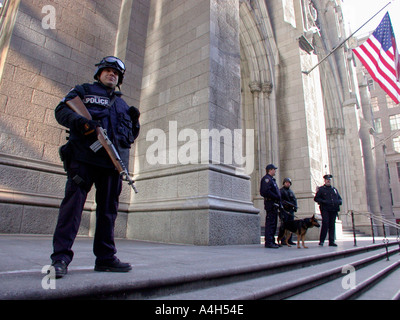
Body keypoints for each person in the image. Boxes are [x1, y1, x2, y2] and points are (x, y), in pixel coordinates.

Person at [50, 56, 140, 278]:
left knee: (108, 213)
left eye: (116, 73)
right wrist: (82, 123)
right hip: (83, 160)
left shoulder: (122, 104)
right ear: (99, 73)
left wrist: (135, 124)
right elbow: (61, 111)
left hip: (110, 166)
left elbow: (127, 139)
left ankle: (105, 258)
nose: (112, 74)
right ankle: (60, 258)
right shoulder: (83, 91)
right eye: (108, 71)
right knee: (72, 210)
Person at [314, 174, 342, 247]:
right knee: (325, 224)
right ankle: (322, 241)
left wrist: (339, 202)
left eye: (329, 180)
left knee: (332, 225)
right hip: (325, 209)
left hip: (333, 209)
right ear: (325, 180)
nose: (328, 181)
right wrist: (324, 201)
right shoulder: (321, 189)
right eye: (327, 180)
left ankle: (331, 241)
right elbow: (316, 198)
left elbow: (339, 198)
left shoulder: (334, 189)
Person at [260, 164, 281, 248]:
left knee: (274, 223)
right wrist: (275, 197)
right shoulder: (266, 179)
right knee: (270, 223)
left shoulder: (272, 180)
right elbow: (264, 192)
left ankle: (272, 240)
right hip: (270, 203)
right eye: (274, 169)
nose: (275, 171)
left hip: (274, 204)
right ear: (270, 170)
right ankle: (268, 242)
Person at [280, 178, 297, 245]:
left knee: (291, 226)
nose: (287, 184)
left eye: (289, 183)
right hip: (284, 210)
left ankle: (289, 240)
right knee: (284, 225)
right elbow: (280, 200)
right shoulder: (281, 191)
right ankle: (283, 240)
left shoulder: (291, 192)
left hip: (291, 210)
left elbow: (294, 200)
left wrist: (295, 207)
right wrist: (284, 205)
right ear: (284, 183)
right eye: (286, 182)